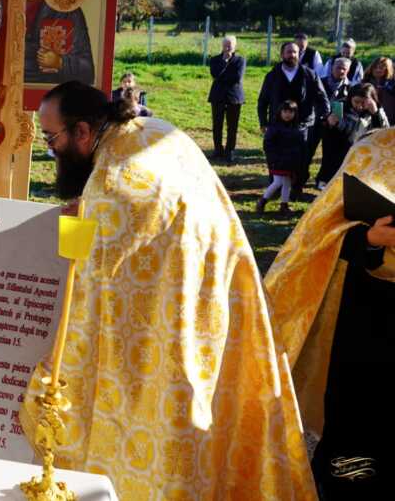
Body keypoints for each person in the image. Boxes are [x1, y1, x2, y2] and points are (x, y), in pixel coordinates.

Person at [21, 81, 315, 499]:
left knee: (165, 436)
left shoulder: (111, 185)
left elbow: (89, 303)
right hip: (215, 303)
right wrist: (89, 214)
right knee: (212, 416)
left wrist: (49, 381)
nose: (51, 150)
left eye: (52, 138)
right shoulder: (154, 130)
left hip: (161, 337)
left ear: (82, 131)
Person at [264, 128, 395, 499]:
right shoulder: (373, 150)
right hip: (368, 315)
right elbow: (322, 234)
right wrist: (371, 240)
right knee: (356, 417)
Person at [257, 41, 329, 196]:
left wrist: (324, 116)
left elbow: (322, 98)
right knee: (277, 156)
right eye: (289, 52)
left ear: (299, 54)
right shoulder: (272, 75)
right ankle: (276, 186)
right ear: (282, 54)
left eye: (295, 52)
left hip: (303, 125)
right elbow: (263, 101)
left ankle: (296, 188)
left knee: (302, 158)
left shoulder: (310, 74)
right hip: (277, 125)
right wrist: (263, 122)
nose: (292, 55)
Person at [317, 82, 390, 187]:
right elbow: (337, 129)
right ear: (350, 98)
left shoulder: (376, 110)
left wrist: (375, 113)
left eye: (363, 102)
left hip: (364, 151)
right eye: (356, 102)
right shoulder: (341, 106)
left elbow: (384, 131)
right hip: (340, 150)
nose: (359, 106)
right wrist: (331, 123)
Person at [257, 100, 304, 215]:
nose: (288, 114)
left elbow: (299, 145)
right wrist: (273, 158)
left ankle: (284, 205)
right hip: (278, 161)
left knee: (287, 182)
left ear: (295, 113)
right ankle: (262, 201)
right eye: (285, 111)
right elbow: (268, 144)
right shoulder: (274, 127)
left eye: (291, 112)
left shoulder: (296, 128)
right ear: (280, 112)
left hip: (290, 161)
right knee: (278, 182)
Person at [207, 36, 246, 163]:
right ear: (222, 45)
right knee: (217, 125)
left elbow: (237, 77)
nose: (227, 47)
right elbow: (215, 74)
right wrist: (224, 63)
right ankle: (218, 150)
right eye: (225, 45)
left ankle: (230, 151)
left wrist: (221, 78)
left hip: (234, 97)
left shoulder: (240, 60)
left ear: (235, 46)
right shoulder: (215, 60)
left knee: (232, 126)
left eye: (230, 45)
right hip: (217, 97)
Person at [364, 56, 395, 122]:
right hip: (369, 119)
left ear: (387, 69)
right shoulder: (365, 82)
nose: (377, 70)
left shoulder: (392, 84)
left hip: (390, 119)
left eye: (381, 68)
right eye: (375, 67)